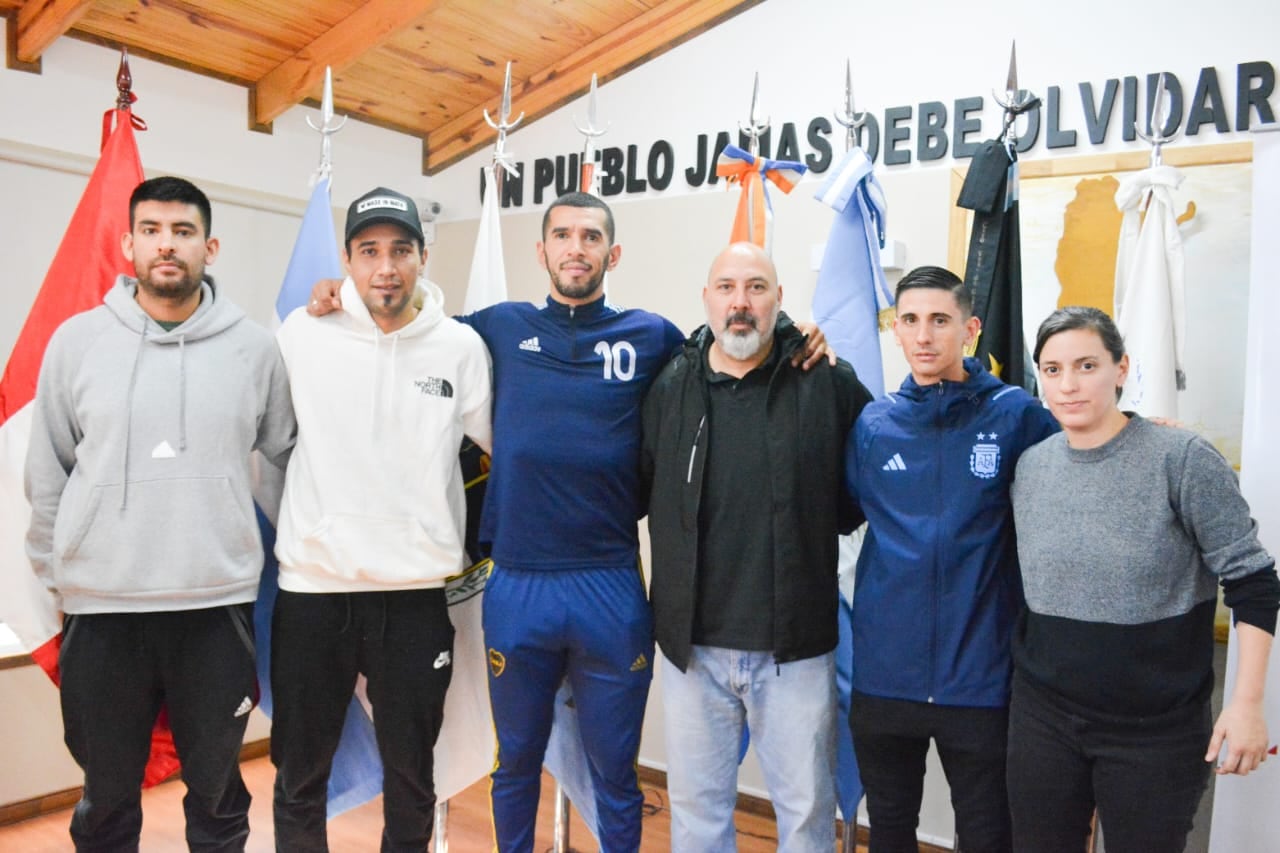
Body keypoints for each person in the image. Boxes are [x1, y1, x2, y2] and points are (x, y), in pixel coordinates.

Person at [307, 192, 830, 852]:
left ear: (612, 253)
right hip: (519, 584)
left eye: (589, 237)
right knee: (515, 764)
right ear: (542, 250)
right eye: (562, 235)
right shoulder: (496, 326)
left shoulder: (654, 336)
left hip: (609, 587)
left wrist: (796, 334)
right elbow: (412, 320)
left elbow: (732, 343)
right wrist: (343, 296)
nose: (575, 247)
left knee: (615, 772)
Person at [24, 176, 296, 852]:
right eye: (151, 230)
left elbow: (287, 459)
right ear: (128, 243)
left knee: (217, 794)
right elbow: (47, 471)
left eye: (181, 231)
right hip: (104, 609)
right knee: (106, 797)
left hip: (215, 608)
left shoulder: (255, 349)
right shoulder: (76, 342)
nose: (166, 245)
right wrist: (61, 572)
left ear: (210, 245)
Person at [1007, 306, 1278, 853]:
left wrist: (1247, 705)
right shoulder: (1030, 467)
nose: (1069, 384)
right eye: (1053, 370)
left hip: (1155, 730)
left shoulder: (1181, 459)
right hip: (1044, 719)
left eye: (1087, 365)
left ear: (1121, 368)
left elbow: (1254, 582)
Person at [269, 187, 492, 851]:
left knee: (412, 777)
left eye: (400, 249)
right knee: (299, 776)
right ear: (347, 260)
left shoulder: (460, 347)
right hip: (313, 592)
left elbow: (503, 450)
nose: (385, 266)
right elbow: (272, 441)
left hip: (413, 598)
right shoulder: (303, 332)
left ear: (424, 257)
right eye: (369, 251)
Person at [640, 242, 872, 852]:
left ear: (779, 299)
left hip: (793, 652)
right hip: (694, 650)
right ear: (706, 298)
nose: (740, 303)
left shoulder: (826, 383)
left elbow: (868, 490)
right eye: (726, 287)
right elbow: (640, 484)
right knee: (696, 812)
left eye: (756, 287)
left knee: (804, 813)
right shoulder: (671, 386)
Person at [842, 265, 1058, 853]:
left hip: (982, 679)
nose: (924, 336)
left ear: (970, 328)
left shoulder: (1016, 416)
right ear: (895, 329)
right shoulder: (874, 424)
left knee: (988, 834)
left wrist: (1139, 430)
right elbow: (847, 511)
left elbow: (1082, 466)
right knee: (888, 831)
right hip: (886, 678)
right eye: (909, 320)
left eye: (940, 320)